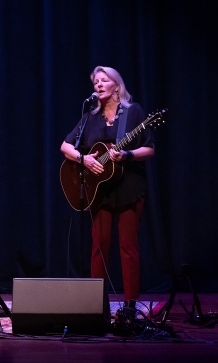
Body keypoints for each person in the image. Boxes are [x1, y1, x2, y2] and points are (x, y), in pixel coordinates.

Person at [60, 66, 154, 309]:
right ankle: (95, 304)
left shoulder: (133, 112)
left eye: (104, 80)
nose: (98, 85)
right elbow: (65, 146)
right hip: (98, 189)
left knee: (128, 246)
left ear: (116, 86)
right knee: (98, 246)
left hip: (128, 186)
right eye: (96, 82)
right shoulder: (90, 116)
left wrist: (128, 154)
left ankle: (131, 305)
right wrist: (84, 159)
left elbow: (149, 148)